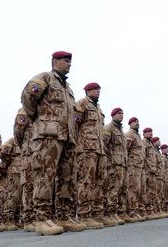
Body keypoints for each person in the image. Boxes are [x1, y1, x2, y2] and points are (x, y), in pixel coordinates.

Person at [21, 51, 84, 235]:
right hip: (48, 136)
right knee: (45, 176)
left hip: (67, 138)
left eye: (70, 61)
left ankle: (64, 216)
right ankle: (42, 219)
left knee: (67, 177)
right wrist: (39, 120)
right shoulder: (45, 78)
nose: (69, 64)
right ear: (55, 61)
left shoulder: (68, 89)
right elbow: (28, 97)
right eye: (66, 61)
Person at [75, 83, 107, 229]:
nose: (98, 92)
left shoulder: (98, 108)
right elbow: (74, 125)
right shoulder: (82, 103)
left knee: (100, 182)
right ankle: (84, 215)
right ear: (88, 91)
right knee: (86, 181)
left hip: (99, 150)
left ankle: (97, 214)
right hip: (86, 148)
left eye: (99, 90)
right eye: (95, 90)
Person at [103, 108, 132, 224]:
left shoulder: (121, 131)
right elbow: (104, 145)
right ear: (113, 115)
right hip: (114, 164)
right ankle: (111, 213)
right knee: (113, 189)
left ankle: (121, 213)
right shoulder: (109, 128)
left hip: (123, 164)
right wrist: (110, 161)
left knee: (123, 189)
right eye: (119, 113)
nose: (121, 115)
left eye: (122, 113)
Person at [13, 108, 37, 232]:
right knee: (29, 186)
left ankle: (39, 218)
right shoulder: (24, 112)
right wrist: (26, 147)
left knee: (42, 185)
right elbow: (18, 135)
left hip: (42, 154)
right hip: (29, 154)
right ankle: (29, 219)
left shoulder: (43, 109)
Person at [125, 117, 146, 222]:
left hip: (139, 166)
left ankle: (136, 210)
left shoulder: (138, 136)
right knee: (133, 188)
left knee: (138, 189)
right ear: (130, 124)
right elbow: (126, 150)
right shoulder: (130, 134)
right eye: (134, 122)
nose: (137, 123)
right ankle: (132, 211)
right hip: (132, 165)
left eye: (138, 121)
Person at [142, 127, 159, 220]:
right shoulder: (144, 142)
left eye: (151, 132)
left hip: (152, 171)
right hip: (147, 171)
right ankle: (147, 210)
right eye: (148, 132)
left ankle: (151, 210)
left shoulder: (150, 144)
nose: (150, 133)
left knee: (152, 192)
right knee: (147, 191)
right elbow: (143, 156)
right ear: (144, 134)